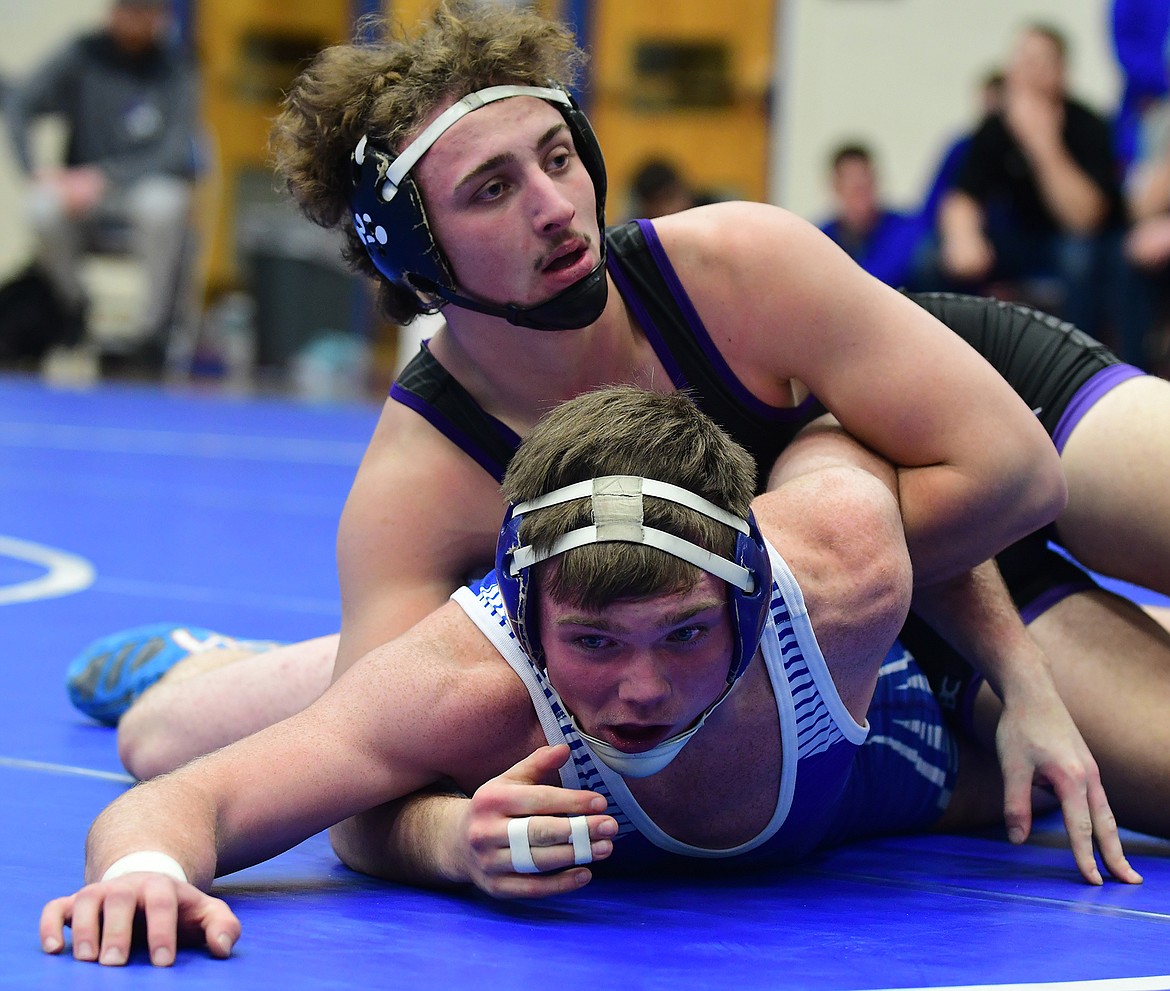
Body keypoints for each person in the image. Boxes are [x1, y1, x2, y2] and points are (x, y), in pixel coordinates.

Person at [65, 1, 1170, 893]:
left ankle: (289, 667)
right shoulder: (419, 482)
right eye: (492, 189)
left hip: (948, 448)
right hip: (816, 597)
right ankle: (243, 676)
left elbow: (1014, 475)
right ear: (415, 257)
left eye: (557, 156)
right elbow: (369, 793)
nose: (555, 208)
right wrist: (454, 837)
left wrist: (1016, 669)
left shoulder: (735, 265)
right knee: (193, 734)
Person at [38, 386, 1145, 969]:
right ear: (527, 618)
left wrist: (1026, 677)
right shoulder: (475, 673)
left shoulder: (839, 559)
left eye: (681, 636)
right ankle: (217, 662)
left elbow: (857, 427)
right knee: (163, 732)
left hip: (929, 687)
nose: (642, 692)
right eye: (597, 646)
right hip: (464, 673)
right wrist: (143, 867)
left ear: (750, 602)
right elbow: (182, 802)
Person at [4, 0, 202, 360]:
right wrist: (36, 172)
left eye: (144, 11)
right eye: (126, 9)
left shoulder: (176, 67)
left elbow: (177, 150)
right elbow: (19, 103)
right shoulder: (83, 54)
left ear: (159, 18)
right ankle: (73, 307)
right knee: (41, 207)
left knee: (165, 203)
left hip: (137, 192)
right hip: (82, 201)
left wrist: (105, 177)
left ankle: (150, 336)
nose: (133, 19)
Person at [934, 23, 1139, 353]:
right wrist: (963, 237)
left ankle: (1081, 366)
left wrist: (1042, 143)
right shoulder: (996, 126)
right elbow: (963, 195)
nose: (1028, 73)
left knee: (1079, 257)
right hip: (1021, 240)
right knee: (930, 256)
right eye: (1022, 61)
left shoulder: (1088, 125)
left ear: (1060, 72)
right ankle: (951, 359)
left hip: (1080, 242)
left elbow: (1083, 219)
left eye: (1039, 62)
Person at [817, 142, 927, 288]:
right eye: (853, 188)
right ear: (836, 187)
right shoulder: (821, 238)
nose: (861, 196)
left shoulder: (905, 230)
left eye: (865, 185)